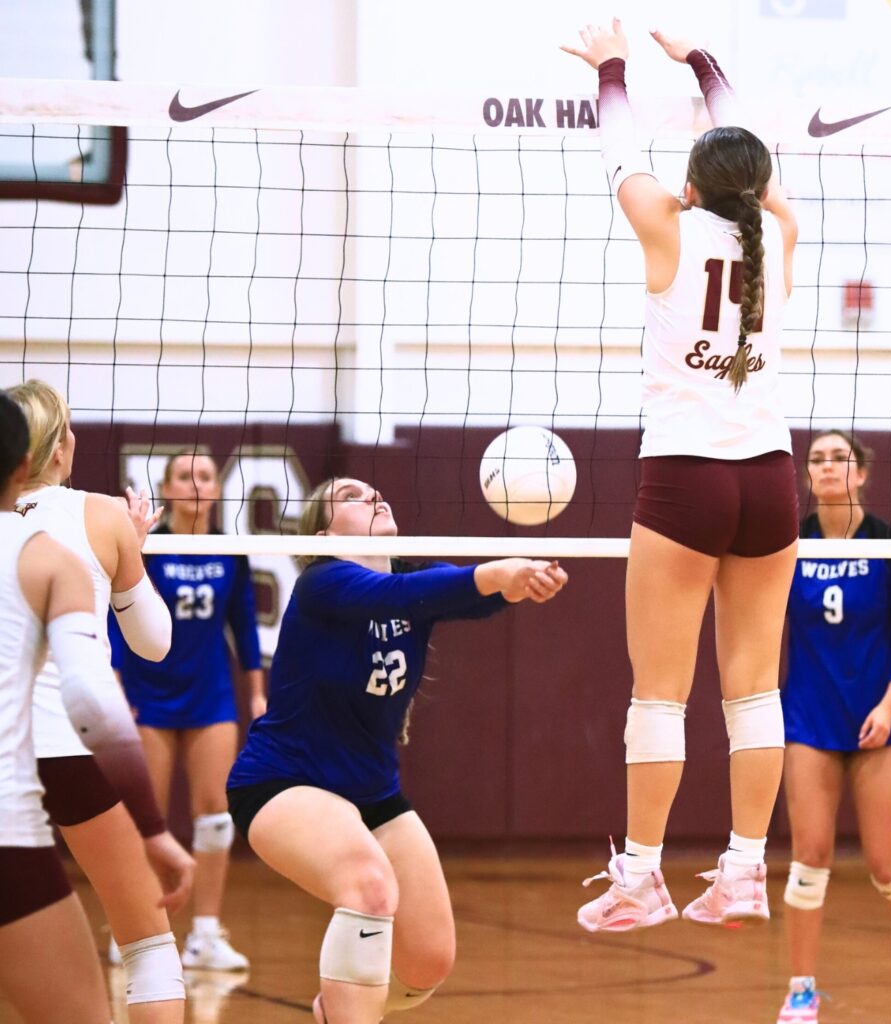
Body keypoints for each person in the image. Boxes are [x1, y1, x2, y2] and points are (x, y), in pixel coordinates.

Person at [561, 21, 800, 930]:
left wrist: (610, 65)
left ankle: (645, 877)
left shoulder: (665, 223)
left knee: (659, 692)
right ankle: (744, 871)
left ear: (693, 185)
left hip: (685, 480)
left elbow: (619, 143)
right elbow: (753, 156)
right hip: (768, 479)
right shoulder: (780, 232)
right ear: (760, 186)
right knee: (756, 688)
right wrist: (703, 63)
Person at [226, 477, 568, 1023]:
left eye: (376, 491)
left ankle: (334, 1010)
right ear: (322, 533)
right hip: (282, 785)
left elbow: (455, 593)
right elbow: (408, 596)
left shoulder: (410, 578)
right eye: (351, 496)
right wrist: (497, 574)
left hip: (372, 793)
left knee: (429, 959)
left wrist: (517, 582)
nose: (375, 496)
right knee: (368, 886)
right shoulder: (322, 583)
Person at [9, 379, 194, 1022]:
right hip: (73, 747)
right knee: (147, 944)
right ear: (60, 448)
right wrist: (126, 556)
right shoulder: (102, 514)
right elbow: (154, 645)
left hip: (7, 760)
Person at [776, 430, 891, 1023]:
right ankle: (801, 989)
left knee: (884, 865)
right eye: (817, 460)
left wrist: (888, 703)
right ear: (808, 477)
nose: (827, 468)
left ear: (860, 474)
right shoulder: (786, 547)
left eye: (839, 459)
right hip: (809, 715)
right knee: (811, 856)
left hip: (877, 715)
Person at [110, 450, 265, 971]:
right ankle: (135, 930)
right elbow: (117, 617)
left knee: (216, 817)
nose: (196, 484)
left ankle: (204, 934)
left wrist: (258, 692)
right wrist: (113, 682)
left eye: (205, 476)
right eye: (185, 476)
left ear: (217, 490)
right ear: (166, 488)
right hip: (148, 691)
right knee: (145, 818)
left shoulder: (231, 550)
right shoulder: (147, 545)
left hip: (210, 693)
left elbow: (243, 626)